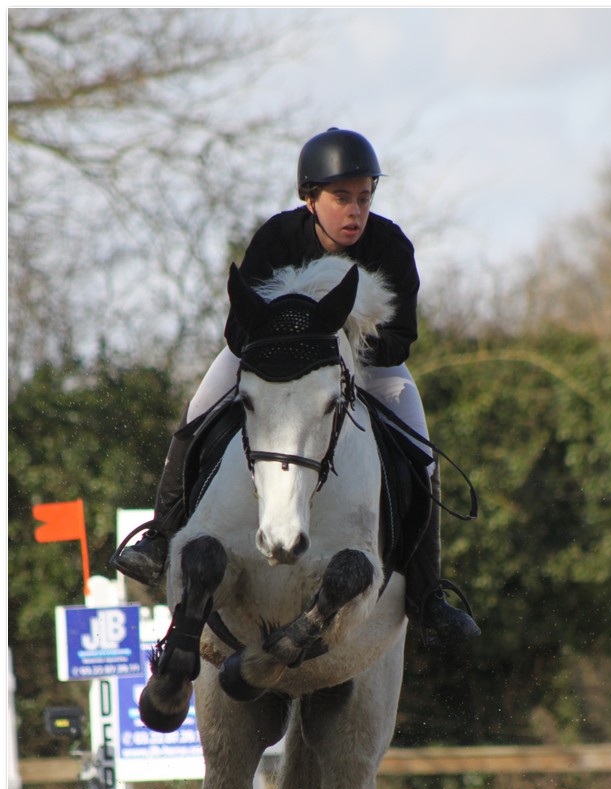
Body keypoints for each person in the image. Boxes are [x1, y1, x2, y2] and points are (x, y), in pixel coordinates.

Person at [112, 128, 480, 647]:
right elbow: (238, 328)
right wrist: (285, 343)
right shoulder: (278, 239)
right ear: (310, 198)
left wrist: (346, 346)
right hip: (268, 364)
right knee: (197, 416)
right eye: (341, 199)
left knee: (421, 454)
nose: (355, 212)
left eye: (363, 198)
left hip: (365, 367)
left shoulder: (391, 246)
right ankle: (160, 536)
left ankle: (425, 596)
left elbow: (402, 340)